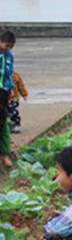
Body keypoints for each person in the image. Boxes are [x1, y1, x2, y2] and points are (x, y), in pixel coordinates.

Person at [0, 31, 16, 168]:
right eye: (6, 45)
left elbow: (9, 73)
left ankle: (5, 154)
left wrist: (10, 88)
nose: (8, 48)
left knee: (3, 123)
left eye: (10, 46)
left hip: (3, 92)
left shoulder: (9, 56)